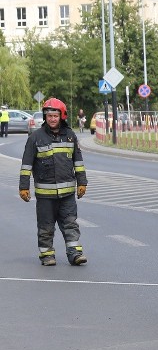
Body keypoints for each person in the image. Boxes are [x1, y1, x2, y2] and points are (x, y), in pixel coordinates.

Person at [19, 98, 88, 266]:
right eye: (49, 116)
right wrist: (23, 187)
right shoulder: (35, 137)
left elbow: (78, 162)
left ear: (61, 116)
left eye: (55, 116)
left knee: (70, 224)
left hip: (67, 194)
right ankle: (47, 255)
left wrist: (82, 183)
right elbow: (26, 165)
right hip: (45, 195)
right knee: (46, 227)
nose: (52, 119)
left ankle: (75, 254)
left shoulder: (70, 136)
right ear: (45, 117)